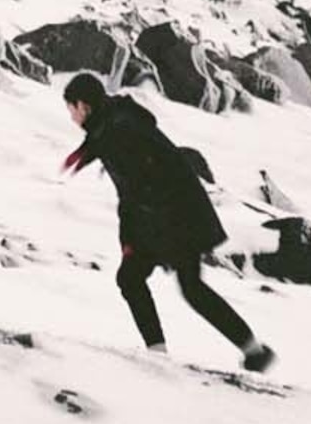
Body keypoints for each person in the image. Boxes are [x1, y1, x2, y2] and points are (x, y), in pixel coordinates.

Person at [61, 70, 273, 371]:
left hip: (175, 218)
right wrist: (83, 155)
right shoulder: (116, 119)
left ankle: (161, 356)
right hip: (172, 215)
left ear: (83, 106)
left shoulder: (116, 131)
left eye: (71, 108)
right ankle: (251, 351)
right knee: (162, 284)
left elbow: (137, 188)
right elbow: (109, 141)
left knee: (171, 285)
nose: (71, 117)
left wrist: (132, 240)